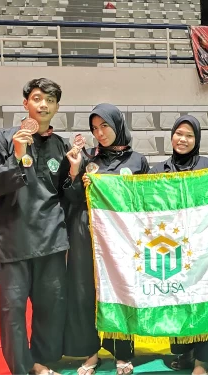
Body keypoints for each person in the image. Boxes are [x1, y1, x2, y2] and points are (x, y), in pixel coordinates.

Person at [0, 78, 70, 375]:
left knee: (51, 307)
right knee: (13, 311)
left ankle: (42, 362)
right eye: (37, 98)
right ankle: (22, 367)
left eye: (50, 100)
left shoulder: (61, 145)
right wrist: (17, 156)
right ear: (25, 103)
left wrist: (77, 171)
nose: (43, 104)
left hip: (52, 237)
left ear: (57, 107)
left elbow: (64, 193)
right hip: (15, 236)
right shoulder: (3, 137)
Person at [63, 103, 150, 375]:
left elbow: (146, 200)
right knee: (84, 293)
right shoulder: (88, 159)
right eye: (95, 128)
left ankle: (122, 353)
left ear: (118, 125)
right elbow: (71, 198)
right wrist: (77, 175)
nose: (100, 133)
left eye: (105, 126)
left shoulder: (137, 161)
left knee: (120, 292)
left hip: (122, 241)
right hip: (86, 237)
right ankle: (90, 352)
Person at [149, 115, 208, 375]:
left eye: (189, 135)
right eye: (179, 133)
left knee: (204, 300)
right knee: (177, 299)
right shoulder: (158, 171)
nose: (183, 139)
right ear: (172, 136)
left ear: (197, 140)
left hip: (203, 247)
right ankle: (185, 352)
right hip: (172, 247)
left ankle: (204, 360)